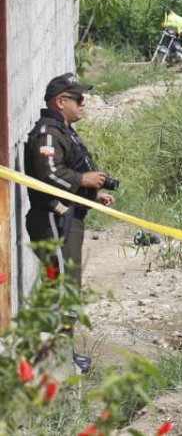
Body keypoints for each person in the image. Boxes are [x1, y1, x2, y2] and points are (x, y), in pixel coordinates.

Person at [25, 73, 116, 373]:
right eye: (78, 98)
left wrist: (92, 194)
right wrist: (82, 180)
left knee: (69, 288)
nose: (83, 103)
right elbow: (48, 175)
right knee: (61, 288)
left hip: (68, 217)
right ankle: (54, 357)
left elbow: (65, 172)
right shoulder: (48, 134)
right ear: (60, 102)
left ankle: (64, 352)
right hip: (53, 220)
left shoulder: (63, 130)